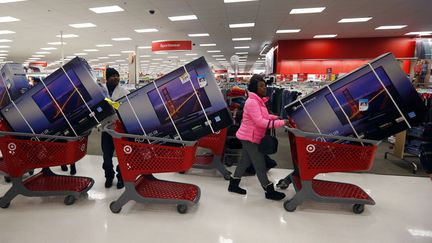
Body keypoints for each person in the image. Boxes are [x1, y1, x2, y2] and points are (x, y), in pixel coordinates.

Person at [228, 74, 289, 200]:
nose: (264, 88)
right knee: (260, 164)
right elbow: (260, 122)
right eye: (261, 86)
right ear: (254, 87)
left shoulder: (258, 101)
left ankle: (233, 185)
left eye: (264, 85)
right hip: (250, 138)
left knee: (245, 161)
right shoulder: (252, 102)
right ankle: (269, 191)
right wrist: (281, 123)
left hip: (250, 136)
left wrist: (276, 117)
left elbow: (265, 116)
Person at [101, 68, 129, 189]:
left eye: (117, 75)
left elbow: (127, 107)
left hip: (119, 129)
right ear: (107, 78)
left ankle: (121, 178)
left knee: (122, 156)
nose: (116, 78)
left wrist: (113, 104)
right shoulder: (101, 90)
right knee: (106, 157)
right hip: (106, 129)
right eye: (112, 76)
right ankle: (109, 176)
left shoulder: (124, 91)